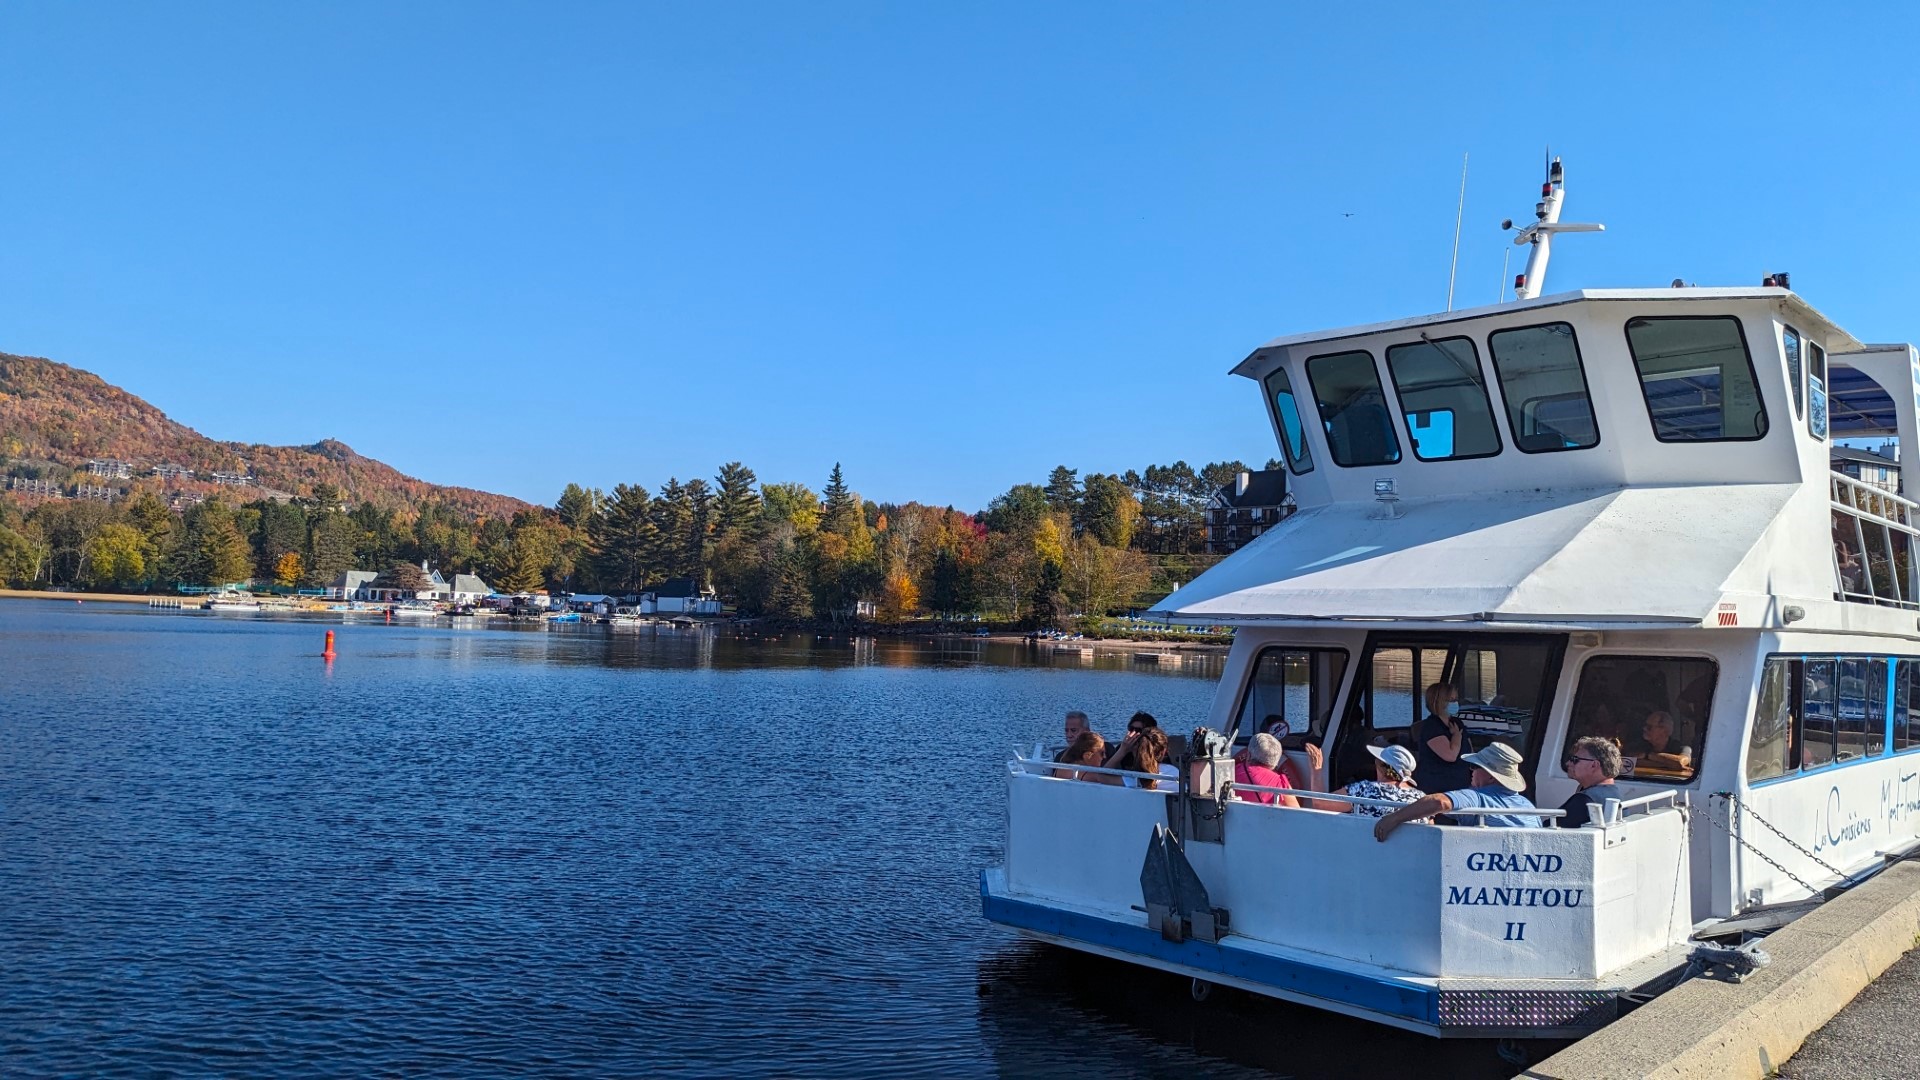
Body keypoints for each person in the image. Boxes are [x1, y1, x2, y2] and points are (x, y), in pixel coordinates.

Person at [1372, 742, 1543, 840]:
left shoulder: (1477, 798)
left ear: (1491, 777)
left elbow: (1439, 802)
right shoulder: (1527, 806)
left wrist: (1393, 819)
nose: (1471, 771)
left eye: (1475, 767)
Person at [1325, 743, 1423, 818]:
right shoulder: (1422, 798)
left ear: (1380, 766)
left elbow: (1320, 804)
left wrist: (1316, 770)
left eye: (1376, 760)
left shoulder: (1365, 790)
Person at [1413, 683, 1474, 795]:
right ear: (1440, 701)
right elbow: (1450, 756)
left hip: (1462, 786)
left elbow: (1470, 752)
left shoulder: (1457, 723)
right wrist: (1456, 736)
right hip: (1437, 788)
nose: (1455, 703)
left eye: (1456, 699)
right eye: (1451, 700)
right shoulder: (1431, 727)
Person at [1560, 736, 1622, 828]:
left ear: (1594, 765)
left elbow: (1547, 830)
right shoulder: (1614, 793)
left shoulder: (1585, 800)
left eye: (1574, 760)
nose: (1568, 763)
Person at [1232, 732, 1299, 808]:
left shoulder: (1232, 772)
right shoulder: (1280, 782)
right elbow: (1297, 813)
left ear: (1249, 755)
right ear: (1275, 761)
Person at [1106, 726, 1178, 790]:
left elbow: (1098, 777)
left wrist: (1122, 750)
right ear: (1164, 751)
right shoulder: (1174, 772)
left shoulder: (1135, 779)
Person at [1632, 710, 1694, 775]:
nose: (1644, 728)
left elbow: (1679, 762)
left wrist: (1648, 755)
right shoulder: (1639, 745)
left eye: (1649, 727)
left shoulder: (1683, 748)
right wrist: (1669, 764)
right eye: (1645, 725)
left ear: (1664, 731)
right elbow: (1632, 762)